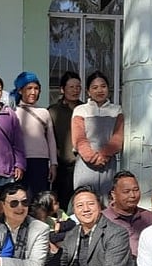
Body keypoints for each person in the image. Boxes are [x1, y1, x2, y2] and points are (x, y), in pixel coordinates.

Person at [72, 71, 123, 197]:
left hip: (108, 163)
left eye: (103, 86)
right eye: (95, 87)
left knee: (107, 199)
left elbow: (117, 138)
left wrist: (103, 156)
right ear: (88, 91)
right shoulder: (80, 110)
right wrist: (93, 158)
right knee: (85, 198)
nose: (99, 90)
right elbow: (79, 139)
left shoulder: (116, 110)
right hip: (85, 163)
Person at [12, 72, 57, 199]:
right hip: (20, 163)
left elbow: (51, 140)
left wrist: (53, 164)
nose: (33, 92)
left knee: (40, 199)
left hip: (41, 162)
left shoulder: (44, 112)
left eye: (36, 88)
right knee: (22, 198)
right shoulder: (13, 112)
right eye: (29, 88)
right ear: (20, 91)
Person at [102, 171, 152, 260]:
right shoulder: (103, 218)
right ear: (113, 194)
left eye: (136, 190)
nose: (132, 195)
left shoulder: (148, 217)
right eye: (126, 191)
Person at [48, 71, 82, 209]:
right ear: (62, 89)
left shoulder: (85, 109)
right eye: (71, 87)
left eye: (78, 87)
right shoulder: (53, 111)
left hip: (82, 166)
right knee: (61, 205)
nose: (75, 90)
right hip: (61, 166)